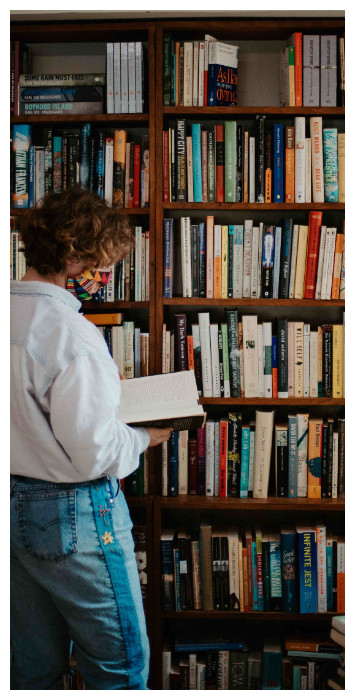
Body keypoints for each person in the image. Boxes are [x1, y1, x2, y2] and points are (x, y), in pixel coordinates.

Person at [10, 189, 171, 689]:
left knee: (29, 668)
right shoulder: (71, 335)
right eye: (101, 262)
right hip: (70, 513)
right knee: (118, 665)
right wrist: (147, 436)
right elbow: (96, 454)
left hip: (10, 503)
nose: (102, 275)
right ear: (76, 256)